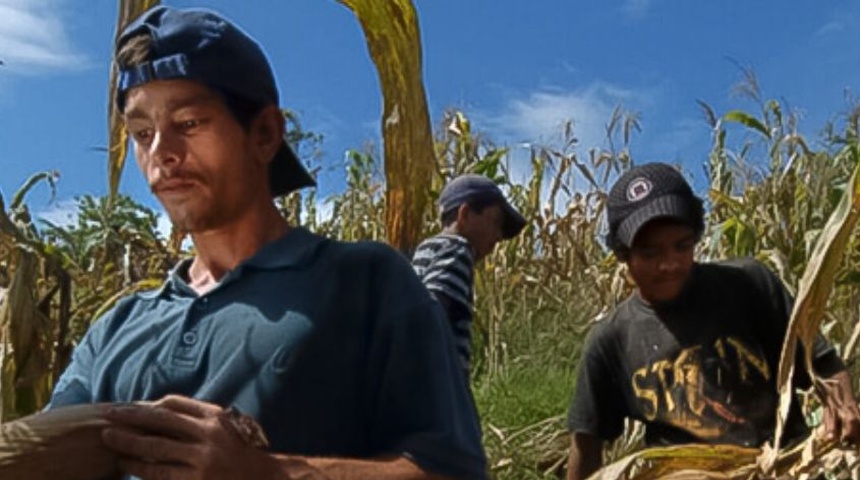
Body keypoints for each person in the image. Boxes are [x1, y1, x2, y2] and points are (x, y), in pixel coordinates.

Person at [48, 6, 488, 480]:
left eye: (190, 123)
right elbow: (39, 458)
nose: (162, 154)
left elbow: (453, 471)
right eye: (141, 134)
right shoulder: (116, 329)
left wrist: (267, 473)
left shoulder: (366, 283)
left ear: (264, 134)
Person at [566, 162, 860, 480]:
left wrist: (842, 404)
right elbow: (587, 441)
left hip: (781, 464)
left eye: (682, 246)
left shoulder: (749, 285)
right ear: (624, 255)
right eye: (650, 253)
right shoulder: (611, 340)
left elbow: (820, 362)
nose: (670, 264)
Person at [411, 174, 526, 374]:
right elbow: (435, 308)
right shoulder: (459, 249)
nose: (499, 236)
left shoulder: (425, 250)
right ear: (464, 214)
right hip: (439, 381)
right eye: (496, 222)